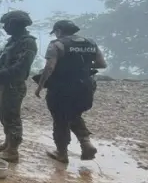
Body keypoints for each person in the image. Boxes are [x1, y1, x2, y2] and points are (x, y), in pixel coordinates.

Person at [34, 19, 105, 163]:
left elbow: (49, 68)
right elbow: (101, 64)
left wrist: (40, 86)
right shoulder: (91, 43)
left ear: (59, 31)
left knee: (60, 119)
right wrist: (81, 65)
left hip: (62, 88)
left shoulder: (57, 44)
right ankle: (86, 143)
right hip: (85, 88)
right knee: (74, 114)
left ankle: (62, 153)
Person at [0, 10, 38, 163]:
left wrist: (0, 74)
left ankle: (12, 150)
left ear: (16, 24)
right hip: (5, 84)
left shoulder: (28, 42)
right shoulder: (13, 41)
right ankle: (7, 143)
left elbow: (21, 67)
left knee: (12, 117)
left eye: (7, 24)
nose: (4, 28)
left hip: (14, 85)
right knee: (3, 114)